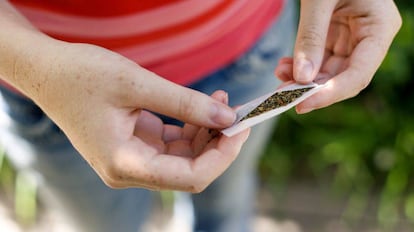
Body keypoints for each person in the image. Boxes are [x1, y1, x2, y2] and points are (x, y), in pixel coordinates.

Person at [0, 0, 401, 232]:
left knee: (224, 200)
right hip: (53, 93)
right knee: (105, 224)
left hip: (242, 50)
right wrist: (35, 68)